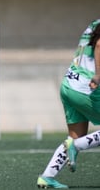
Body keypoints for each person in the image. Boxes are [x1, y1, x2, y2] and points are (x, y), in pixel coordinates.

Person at [37, 19, 100, 189]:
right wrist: (98, 74)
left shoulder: (95, 23)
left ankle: (47, 177)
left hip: (69, 84)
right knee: (76, 142)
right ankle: (76, 146)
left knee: (74, 137)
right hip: (87, 87)